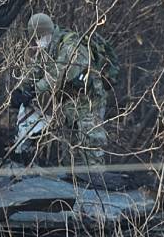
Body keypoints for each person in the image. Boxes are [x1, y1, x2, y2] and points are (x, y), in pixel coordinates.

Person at [13, 13, 119, 168]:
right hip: (70, 102)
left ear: (46, 32)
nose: (37, 41)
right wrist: (21, 90)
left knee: (91, 143)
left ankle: (97, 181)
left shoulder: (71, 45)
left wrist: (35, 89)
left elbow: (63, 73)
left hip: (90, 100)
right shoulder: (49, 47)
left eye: (38, 37)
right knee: (70, 148)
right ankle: (75, 181)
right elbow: (36, 70)